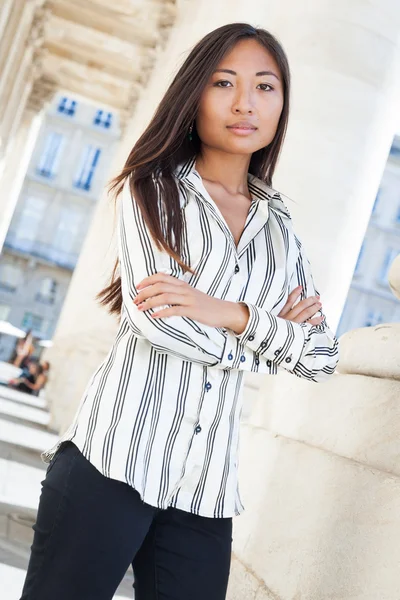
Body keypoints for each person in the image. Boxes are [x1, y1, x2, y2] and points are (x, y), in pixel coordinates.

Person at [20, 23, 339, 600]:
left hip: (206, 490)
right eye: (224, 83)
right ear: (194, 95)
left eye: (265, 87)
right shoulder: (152, 189)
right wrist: (266, 338)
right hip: (110, 464)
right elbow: (156, 323)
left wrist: (226, 312)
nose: (245, 103)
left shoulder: (281, 233)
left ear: (282, 104)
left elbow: (320, 355)